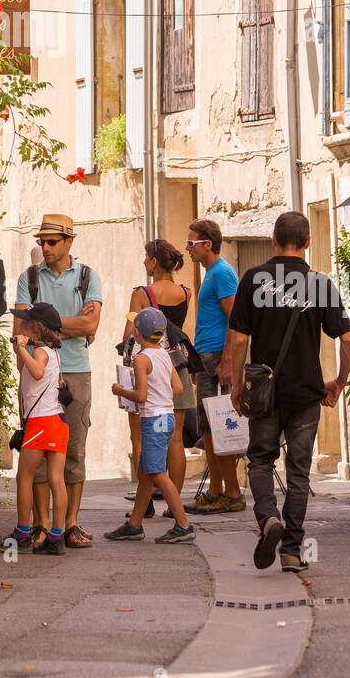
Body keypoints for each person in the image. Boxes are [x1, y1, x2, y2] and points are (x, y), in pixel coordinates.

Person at [228, 211, 350, 572]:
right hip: (306, 392)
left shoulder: (253, 279)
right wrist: (339, 382)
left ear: (273, 240)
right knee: (299, 471)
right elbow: (347, 339)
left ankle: (268, 518)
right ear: (308, 242)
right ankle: (291, 549)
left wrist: (238, 383)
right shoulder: (318, 284)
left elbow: (238, 338)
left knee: (261, 460)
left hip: (264, 391)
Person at [14, 213, 101, 549]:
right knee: (35, 456)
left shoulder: (88, 277)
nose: (45, 247)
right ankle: (41, 524)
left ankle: (70, 525)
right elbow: (22, 328)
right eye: (42, 242)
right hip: (38, 372)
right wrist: (71, 324)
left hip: (76, 370)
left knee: (74, 448)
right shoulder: (30, 277)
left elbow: (90, 326)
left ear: (69, 242)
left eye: (52, 242)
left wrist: (44, 324)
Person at [104, 308, 195, 544]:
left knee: (157, 473)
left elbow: (141, 396)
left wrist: (121, 390)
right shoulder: (165, 354)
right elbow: (177, 388)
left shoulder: (141, 359)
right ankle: (134, 524)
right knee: (145, 472)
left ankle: (183, 524)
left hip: (152, 419)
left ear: (136, 332)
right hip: (167, 418)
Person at [121, 240, 196, 517]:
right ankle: (172, 505)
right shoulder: (186, 292)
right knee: (175, 439)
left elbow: (129, 334)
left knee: (139, 437)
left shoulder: (142, 293)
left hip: (146, 369)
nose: (143, 263)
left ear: (153, 262)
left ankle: (146, 504)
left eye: (145, 258)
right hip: (178, 366)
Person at [184, 218, 245, 515]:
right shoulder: (211, 273)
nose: (188, 249)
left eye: (192, 243)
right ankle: (216, 490)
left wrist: (226, 361)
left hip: (216, 358)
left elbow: (235, 318)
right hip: (206, 356)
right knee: (207, 428)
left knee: (220, 426)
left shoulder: (222, 272)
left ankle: (232, 492)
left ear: (208, 244)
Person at [7, 302, 70, 556]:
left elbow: (36, 372)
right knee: (56, 479)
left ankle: (22, 532)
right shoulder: (51, 351)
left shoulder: (41, 352)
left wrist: (22, 348)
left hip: (42, 422)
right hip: (57, 420)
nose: (20, 324)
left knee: (24, 476)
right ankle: (56, 536)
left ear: (36, 327)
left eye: (24, 321)